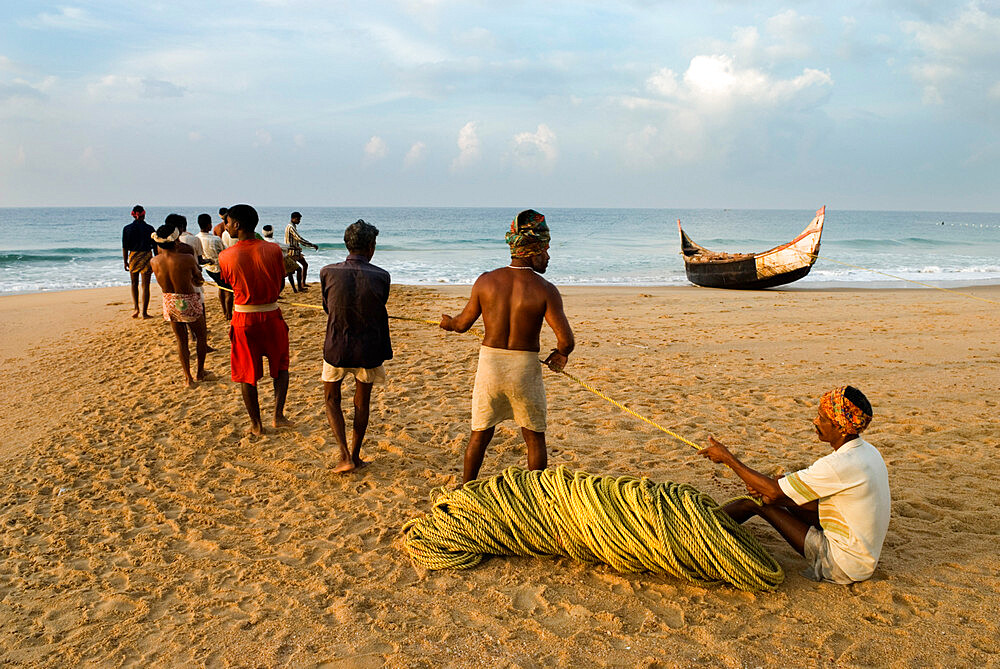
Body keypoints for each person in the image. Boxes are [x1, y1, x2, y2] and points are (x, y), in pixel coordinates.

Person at [699, 386, 891, 585]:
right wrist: (773, 488)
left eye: (822, 418)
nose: (815, 422)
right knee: (778, 495)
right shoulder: (868, 452)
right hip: (863, 560)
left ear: (841, 428)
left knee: (757, 502)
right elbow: (787, 487)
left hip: (842, 565)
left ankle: (700, 529)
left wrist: (728, 459)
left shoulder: (839, 465)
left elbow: (774, 491)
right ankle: (709, 522)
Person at [440, 209, 574, 483]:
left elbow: (463, 324)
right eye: (545, 251)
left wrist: (448, 323)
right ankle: (535, 493)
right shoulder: (545, 289)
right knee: (534, 436)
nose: (548, 257)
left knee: (480, 434)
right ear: (532, 252)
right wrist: (560, 355)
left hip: (491, 367)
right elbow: (566, 341)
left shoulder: (486, 281)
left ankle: (467, 488)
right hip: (524, 369)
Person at [319, 220, 392, 473]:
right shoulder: (382, 276)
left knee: (331, 399)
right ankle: (356, 455)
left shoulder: (328, 271)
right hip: (368, 349)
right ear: (371, 247)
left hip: (336, 346)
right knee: (362, 402)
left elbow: (327, 307)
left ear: (346, 244)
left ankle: (344, 455)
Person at [218, 204, 291, 436]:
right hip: (271, 314)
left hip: (244, 318)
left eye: (227, 222)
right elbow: (280, 283)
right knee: (280, 367)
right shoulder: (273, 250)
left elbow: (229, 284)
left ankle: (256, 424)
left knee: (246, 373)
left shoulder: (226, 255)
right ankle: (278, 415)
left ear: (237, 225)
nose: (225, 226)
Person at [149, 223, 208, 387]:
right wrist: (196, 277)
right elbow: (198, 278)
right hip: (188, 299)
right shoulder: (187, 259)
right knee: (201, 335)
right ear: (176, 242)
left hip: (169, 301)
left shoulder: (154, 261)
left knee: (181, 340)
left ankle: (188, 377)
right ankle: (200, 372)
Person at [121, 205, 157, 319]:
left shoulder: (127, 228)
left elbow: (125, 247)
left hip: (133, 256)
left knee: (134, 283)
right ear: (144, 215)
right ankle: (144, 313)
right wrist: (156, 260)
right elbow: (155, 247)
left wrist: (125, 261)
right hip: (146, 256)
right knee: (145, 286)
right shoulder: (150, 228)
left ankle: (136, 308)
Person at [196, 213, 231, 320]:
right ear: (209, 226)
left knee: (221, 287)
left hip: (208, 269)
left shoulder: (196, 238)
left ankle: (224, 310)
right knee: (229, 290)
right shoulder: (215, 239)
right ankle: (229, 314)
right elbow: (225, 252)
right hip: (219, 268)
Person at [285, 211, 318, 290]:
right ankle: (299, 286)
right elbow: (299, 238)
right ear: (293, 218)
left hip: (296, 251)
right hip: (292, 252)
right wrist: (311, 245)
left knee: (304, 265)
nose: (299, 221)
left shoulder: (292, 226)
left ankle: (302, 284)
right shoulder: (290, 227)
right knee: (293, 271)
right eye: (298, 219)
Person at [262, 225, 300, 293]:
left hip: (271, 262)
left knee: (289, 274)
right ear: (272, 232)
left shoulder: (263, 241)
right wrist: (295, 247)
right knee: (296, 271)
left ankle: (294, 289)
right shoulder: (274, 241)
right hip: (283, 259)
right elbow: (285, 246)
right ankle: (297, 288)